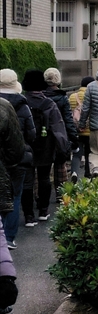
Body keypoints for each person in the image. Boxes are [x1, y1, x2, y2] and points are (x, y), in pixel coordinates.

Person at [22, 70, 69, 225]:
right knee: (44, 177)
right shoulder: (49, 103)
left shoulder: (22, 102)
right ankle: (43, 211)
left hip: (26, 145)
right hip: (46, 144)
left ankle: (28, 216)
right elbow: (58, 127)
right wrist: (63, 147)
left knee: (27, 180)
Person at [0, 70, 35, 248]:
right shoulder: (22, 105)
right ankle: (9, 238)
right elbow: (31, 133)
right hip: (18, 158)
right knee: (15, 195)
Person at [43, 68, 80, 197]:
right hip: (60, 135)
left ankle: (40, 196)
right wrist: (73, 138)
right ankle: (61, 194)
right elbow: (68, 120)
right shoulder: (62, 98)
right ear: (58, 80)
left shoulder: (40, 96)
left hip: (43, 136)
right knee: (60, 165)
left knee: (43, 169)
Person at [68, 76, 93, 181]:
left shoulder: (72, 96)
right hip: (90, 130)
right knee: (89, 154)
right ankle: (88, 174)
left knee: (77, 153)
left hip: (76, 130)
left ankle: (74, 172)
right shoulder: (93, 96)